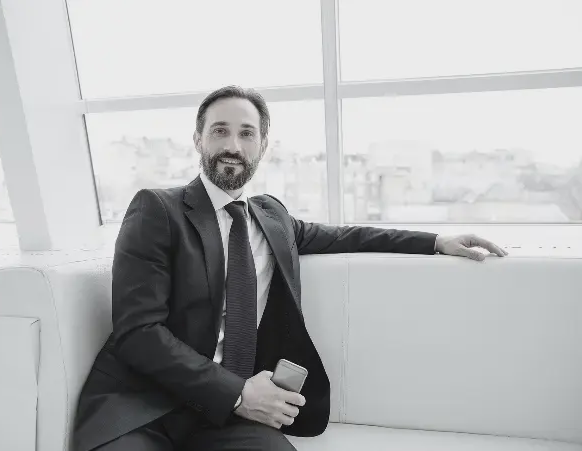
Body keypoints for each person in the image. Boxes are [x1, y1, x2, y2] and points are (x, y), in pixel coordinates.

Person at [73, 85, 508, 451]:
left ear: (262, 146)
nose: (232, 145)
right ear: (198, 140)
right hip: (146, 406)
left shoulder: (272, 218)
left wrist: (435, 242)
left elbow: (347, 236)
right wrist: (239, 392)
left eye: (246, 133)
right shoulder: (157, 209)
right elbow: (138, 333)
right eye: (220, 131)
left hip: (224, 417)